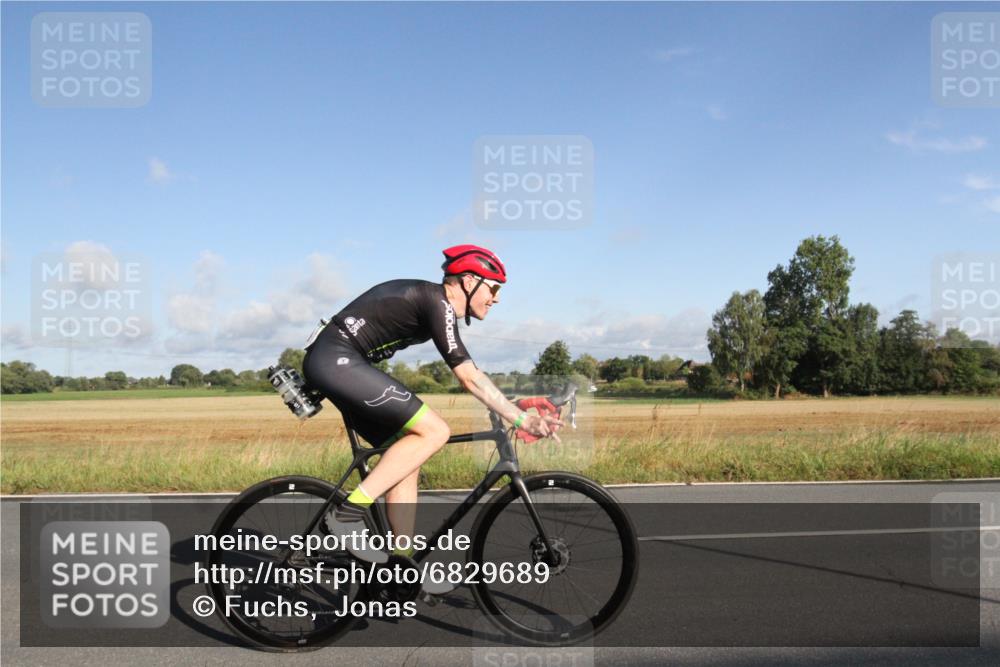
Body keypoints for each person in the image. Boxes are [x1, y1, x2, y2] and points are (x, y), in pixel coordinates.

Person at [302, 245, 561, 571]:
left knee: (407, 454)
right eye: (493, 288)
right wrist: (522, 419)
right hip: (335, 360)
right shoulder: (435, 302)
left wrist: (513, 405)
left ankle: (401, 566)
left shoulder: (436, 306)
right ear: (469, 281)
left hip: (336, 361)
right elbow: (468, 376)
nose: (496, 298)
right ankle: (345, 516)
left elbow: (474, 374)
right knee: (435, 431)